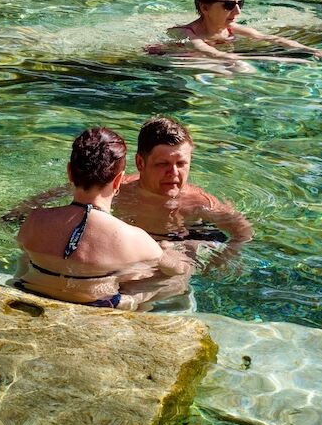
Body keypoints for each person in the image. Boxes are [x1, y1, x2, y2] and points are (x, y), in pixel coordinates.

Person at [15, 128, 193, 311]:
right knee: (176, 279)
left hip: (29, 290)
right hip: (101, 305)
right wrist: (169, 253)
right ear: (118, 181)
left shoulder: (34, 220)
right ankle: (134, 298)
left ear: (70, 172)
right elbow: (180, 270)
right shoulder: (134, 238)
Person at [114, 116, 252, 264]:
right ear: (140, 163)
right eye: (163, 164)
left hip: (183, 242)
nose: (173, 172)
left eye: (181, 163)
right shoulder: (116, 190)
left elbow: (243, 231)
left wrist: (226, 255)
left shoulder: (198, 203)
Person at [156, 0, 322, 72]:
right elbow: (213, 53)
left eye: (240, 3)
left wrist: (311, 50)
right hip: (165, 62)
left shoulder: (231, 29)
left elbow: (273, 39)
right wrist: (273, 59)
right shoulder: (185, 33)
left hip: (211, 57)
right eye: (228, 5)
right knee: (237, 67)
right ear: (205, 8)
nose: (237, 11)